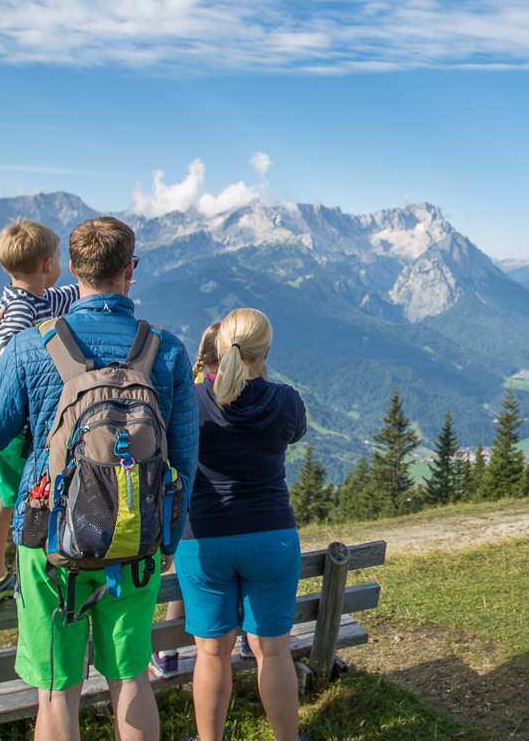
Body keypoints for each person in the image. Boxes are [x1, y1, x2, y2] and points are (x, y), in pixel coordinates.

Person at [0, 217, 195, 741]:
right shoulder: (169, 350)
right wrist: (168, 542)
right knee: (131, 678)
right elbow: (185, 458)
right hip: (136, 539)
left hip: (50, 542)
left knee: (56, 691)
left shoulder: (30, 344)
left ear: (72, 269)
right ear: (130, 271)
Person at [179, 308, 309, 741]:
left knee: (211, 654)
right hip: (271, 537)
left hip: (204, 542)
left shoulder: (191, 402)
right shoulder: (286, 400)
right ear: (266, 351)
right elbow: (294, 433)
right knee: (274, 651)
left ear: (217, 349)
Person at [0, 219, 82, 607]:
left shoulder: (36, 297)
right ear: (48, 263)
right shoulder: (18, 310)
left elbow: (70, 296)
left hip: (8, 425)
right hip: (9, 427)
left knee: (3, 496)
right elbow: (10, 362)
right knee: (17, 498)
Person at [151, 321, 222, 678]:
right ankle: (246, 641)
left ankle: (166, 654)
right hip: (235, 517)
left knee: (183, 582)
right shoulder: (239, 396)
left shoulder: (193, 398)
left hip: (196, 516)